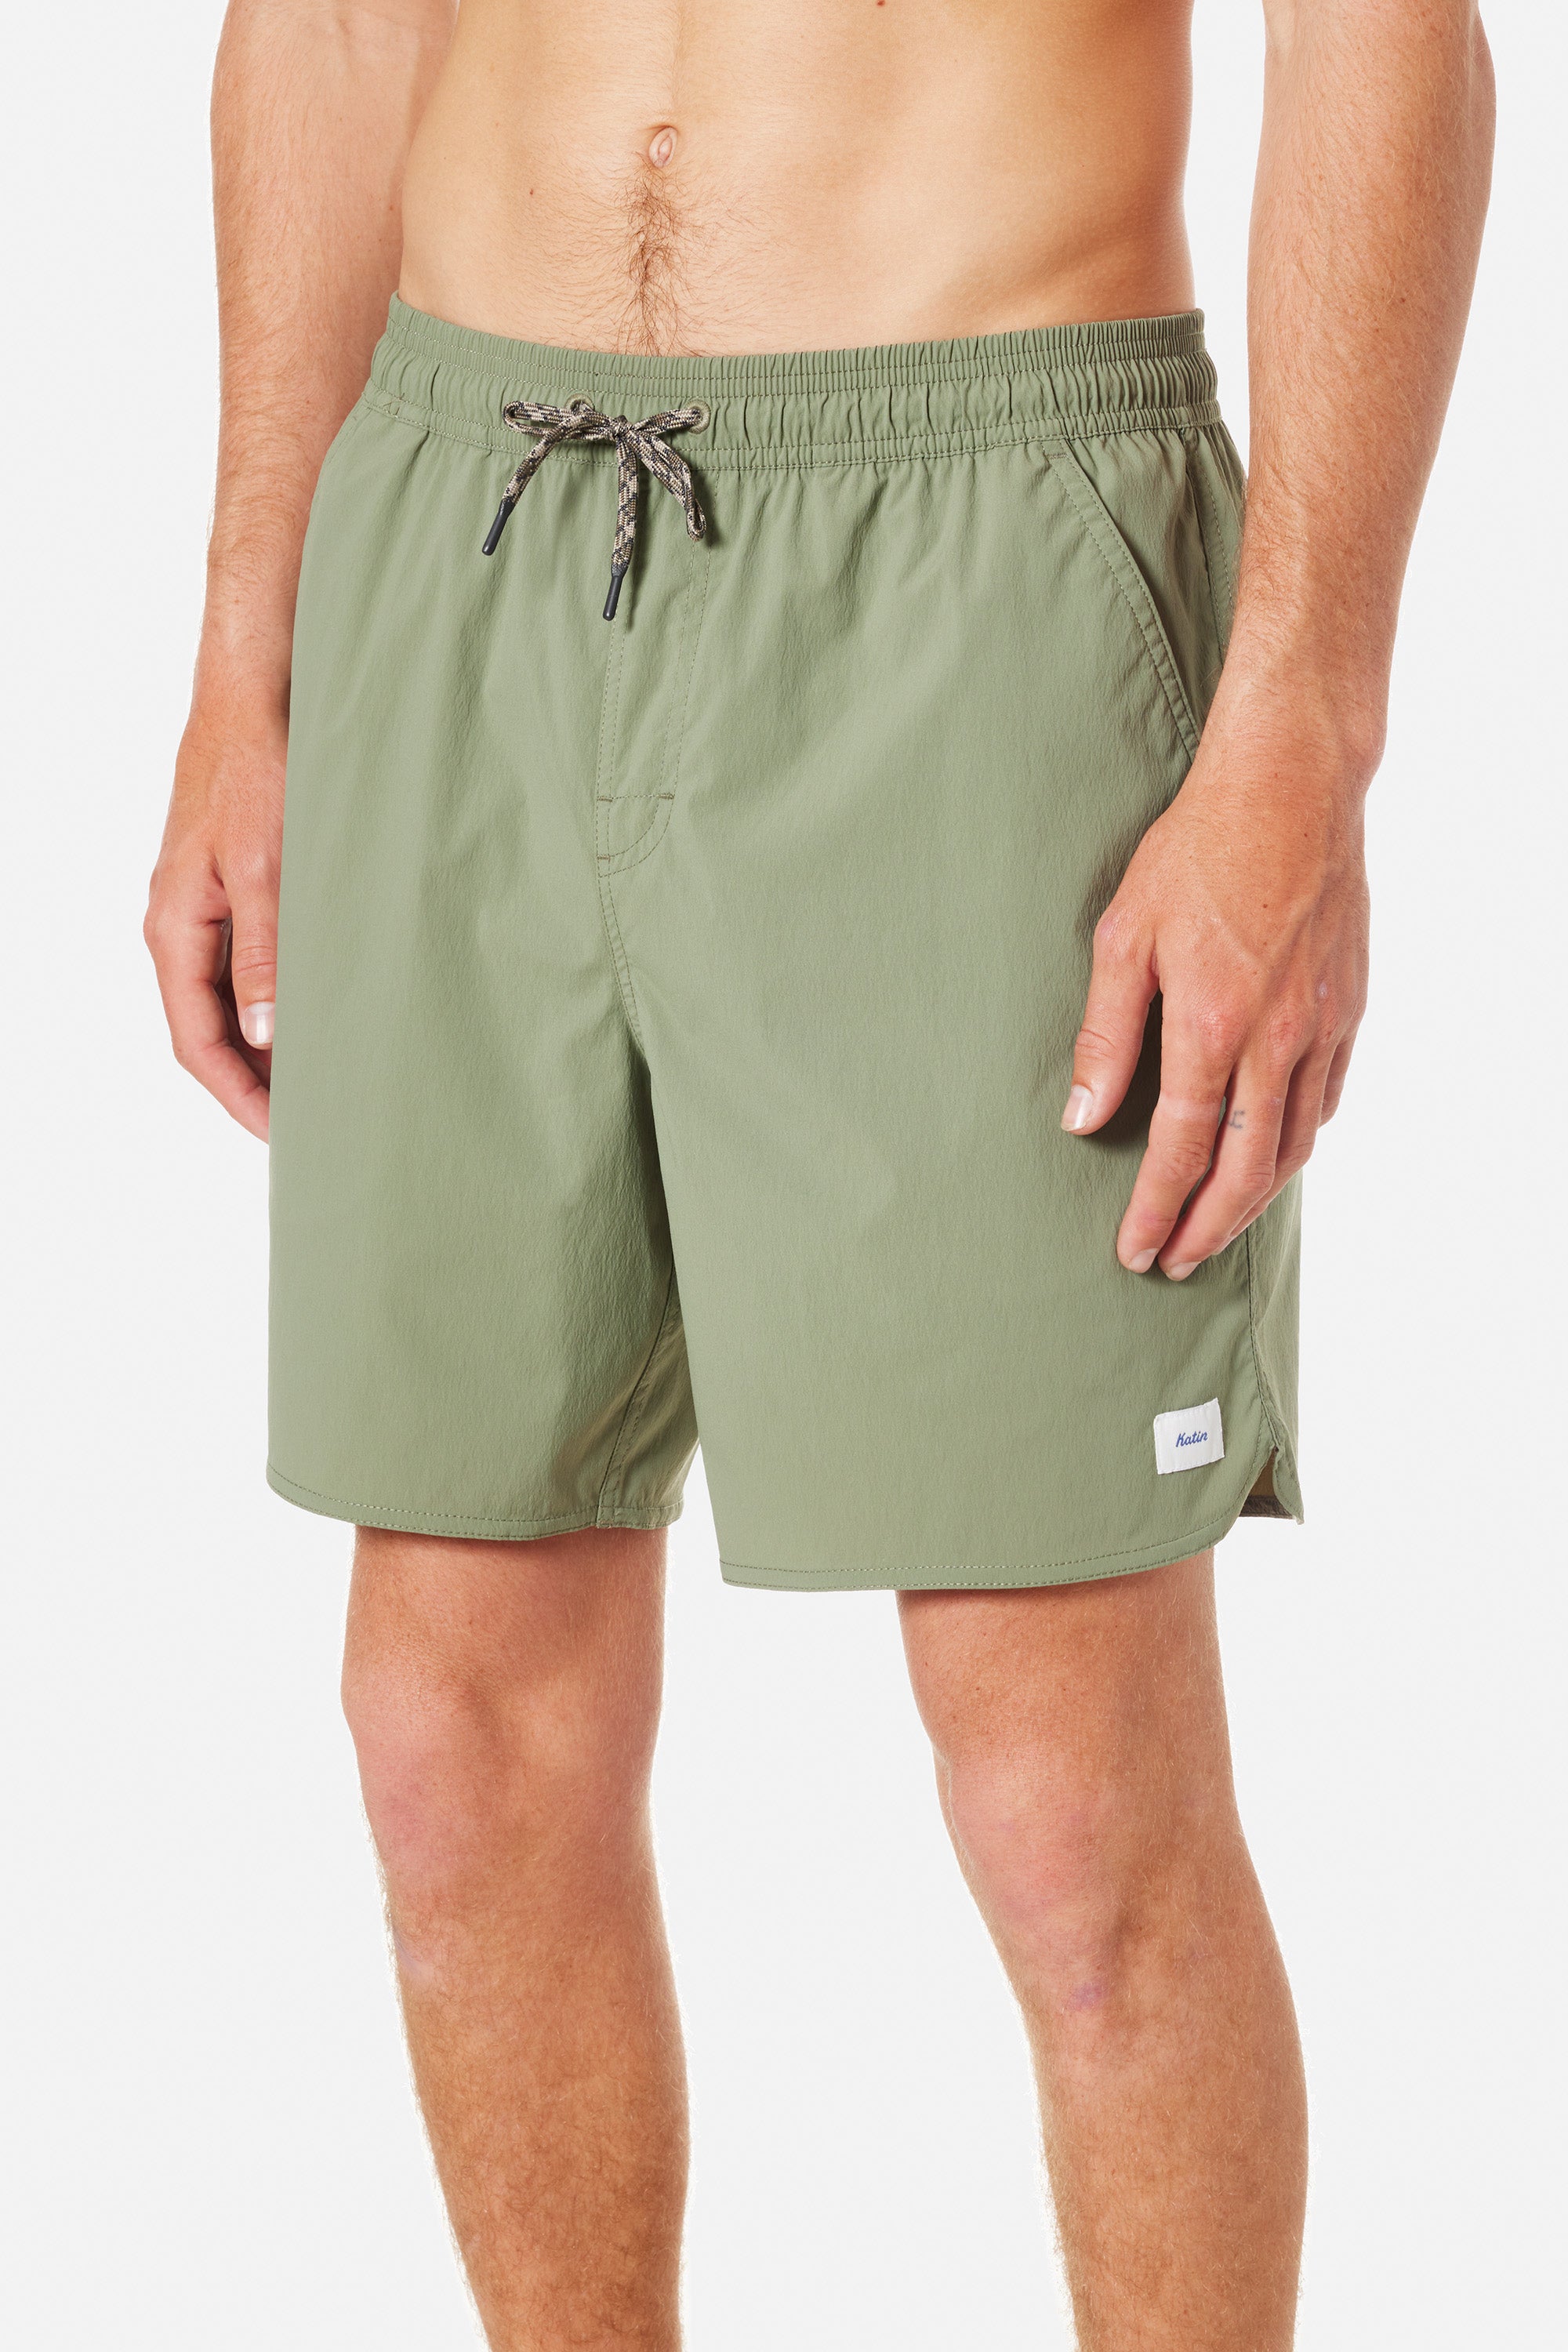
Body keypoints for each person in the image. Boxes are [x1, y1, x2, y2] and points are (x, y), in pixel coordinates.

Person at [144, 2, 1494, 2343]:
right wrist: (240, 652)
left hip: (977, 536)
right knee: (451, 1739)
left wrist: (1304, 719)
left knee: (1067, 1792)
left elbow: (1387, 33)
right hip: (460, 524)